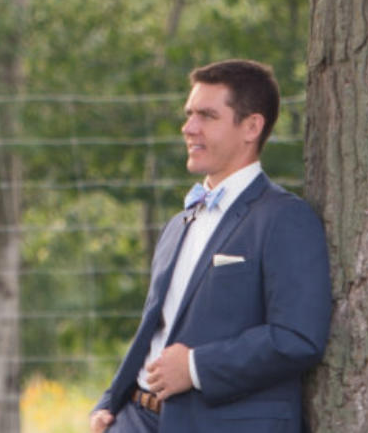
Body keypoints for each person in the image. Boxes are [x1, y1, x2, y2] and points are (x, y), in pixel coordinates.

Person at [90, 59, 332, 433]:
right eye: (189, 114)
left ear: (251, 127)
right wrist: (110, 403)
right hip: (134, 419)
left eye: (207, 116)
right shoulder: (178, 224)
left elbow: (297, 336)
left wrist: (196, 367)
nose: (189, 128)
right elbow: (156, 329)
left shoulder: (285, 218)